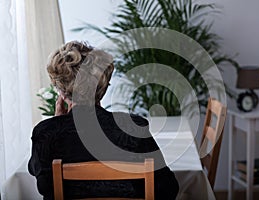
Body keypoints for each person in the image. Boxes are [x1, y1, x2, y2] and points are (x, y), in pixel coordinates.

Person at [28, 41, 179, 199]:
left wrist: (56, 124)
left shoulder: (45, 133)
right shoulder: (133, 127)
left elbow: (44, 185)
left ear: (61, 92)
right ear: (103, 87)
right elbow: (168, 189)